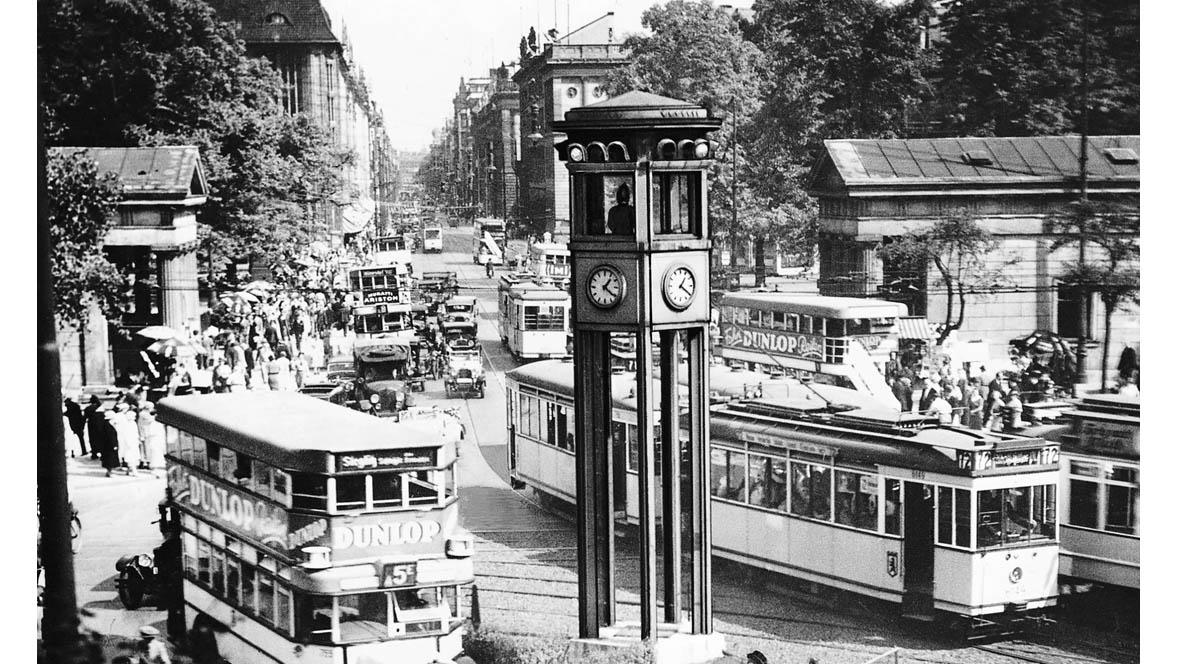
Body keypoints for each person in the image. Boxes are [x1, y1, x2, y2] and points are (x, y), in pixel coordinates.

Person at [84, 395, 105, 461]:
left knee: (93, 439)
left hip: (92, 425)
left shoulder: (88, 408)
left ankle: (94, 453)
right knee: (101, 439)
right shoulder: (101, 408)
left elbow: (85, 417)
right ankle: (102, 452)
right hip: (101, 425)